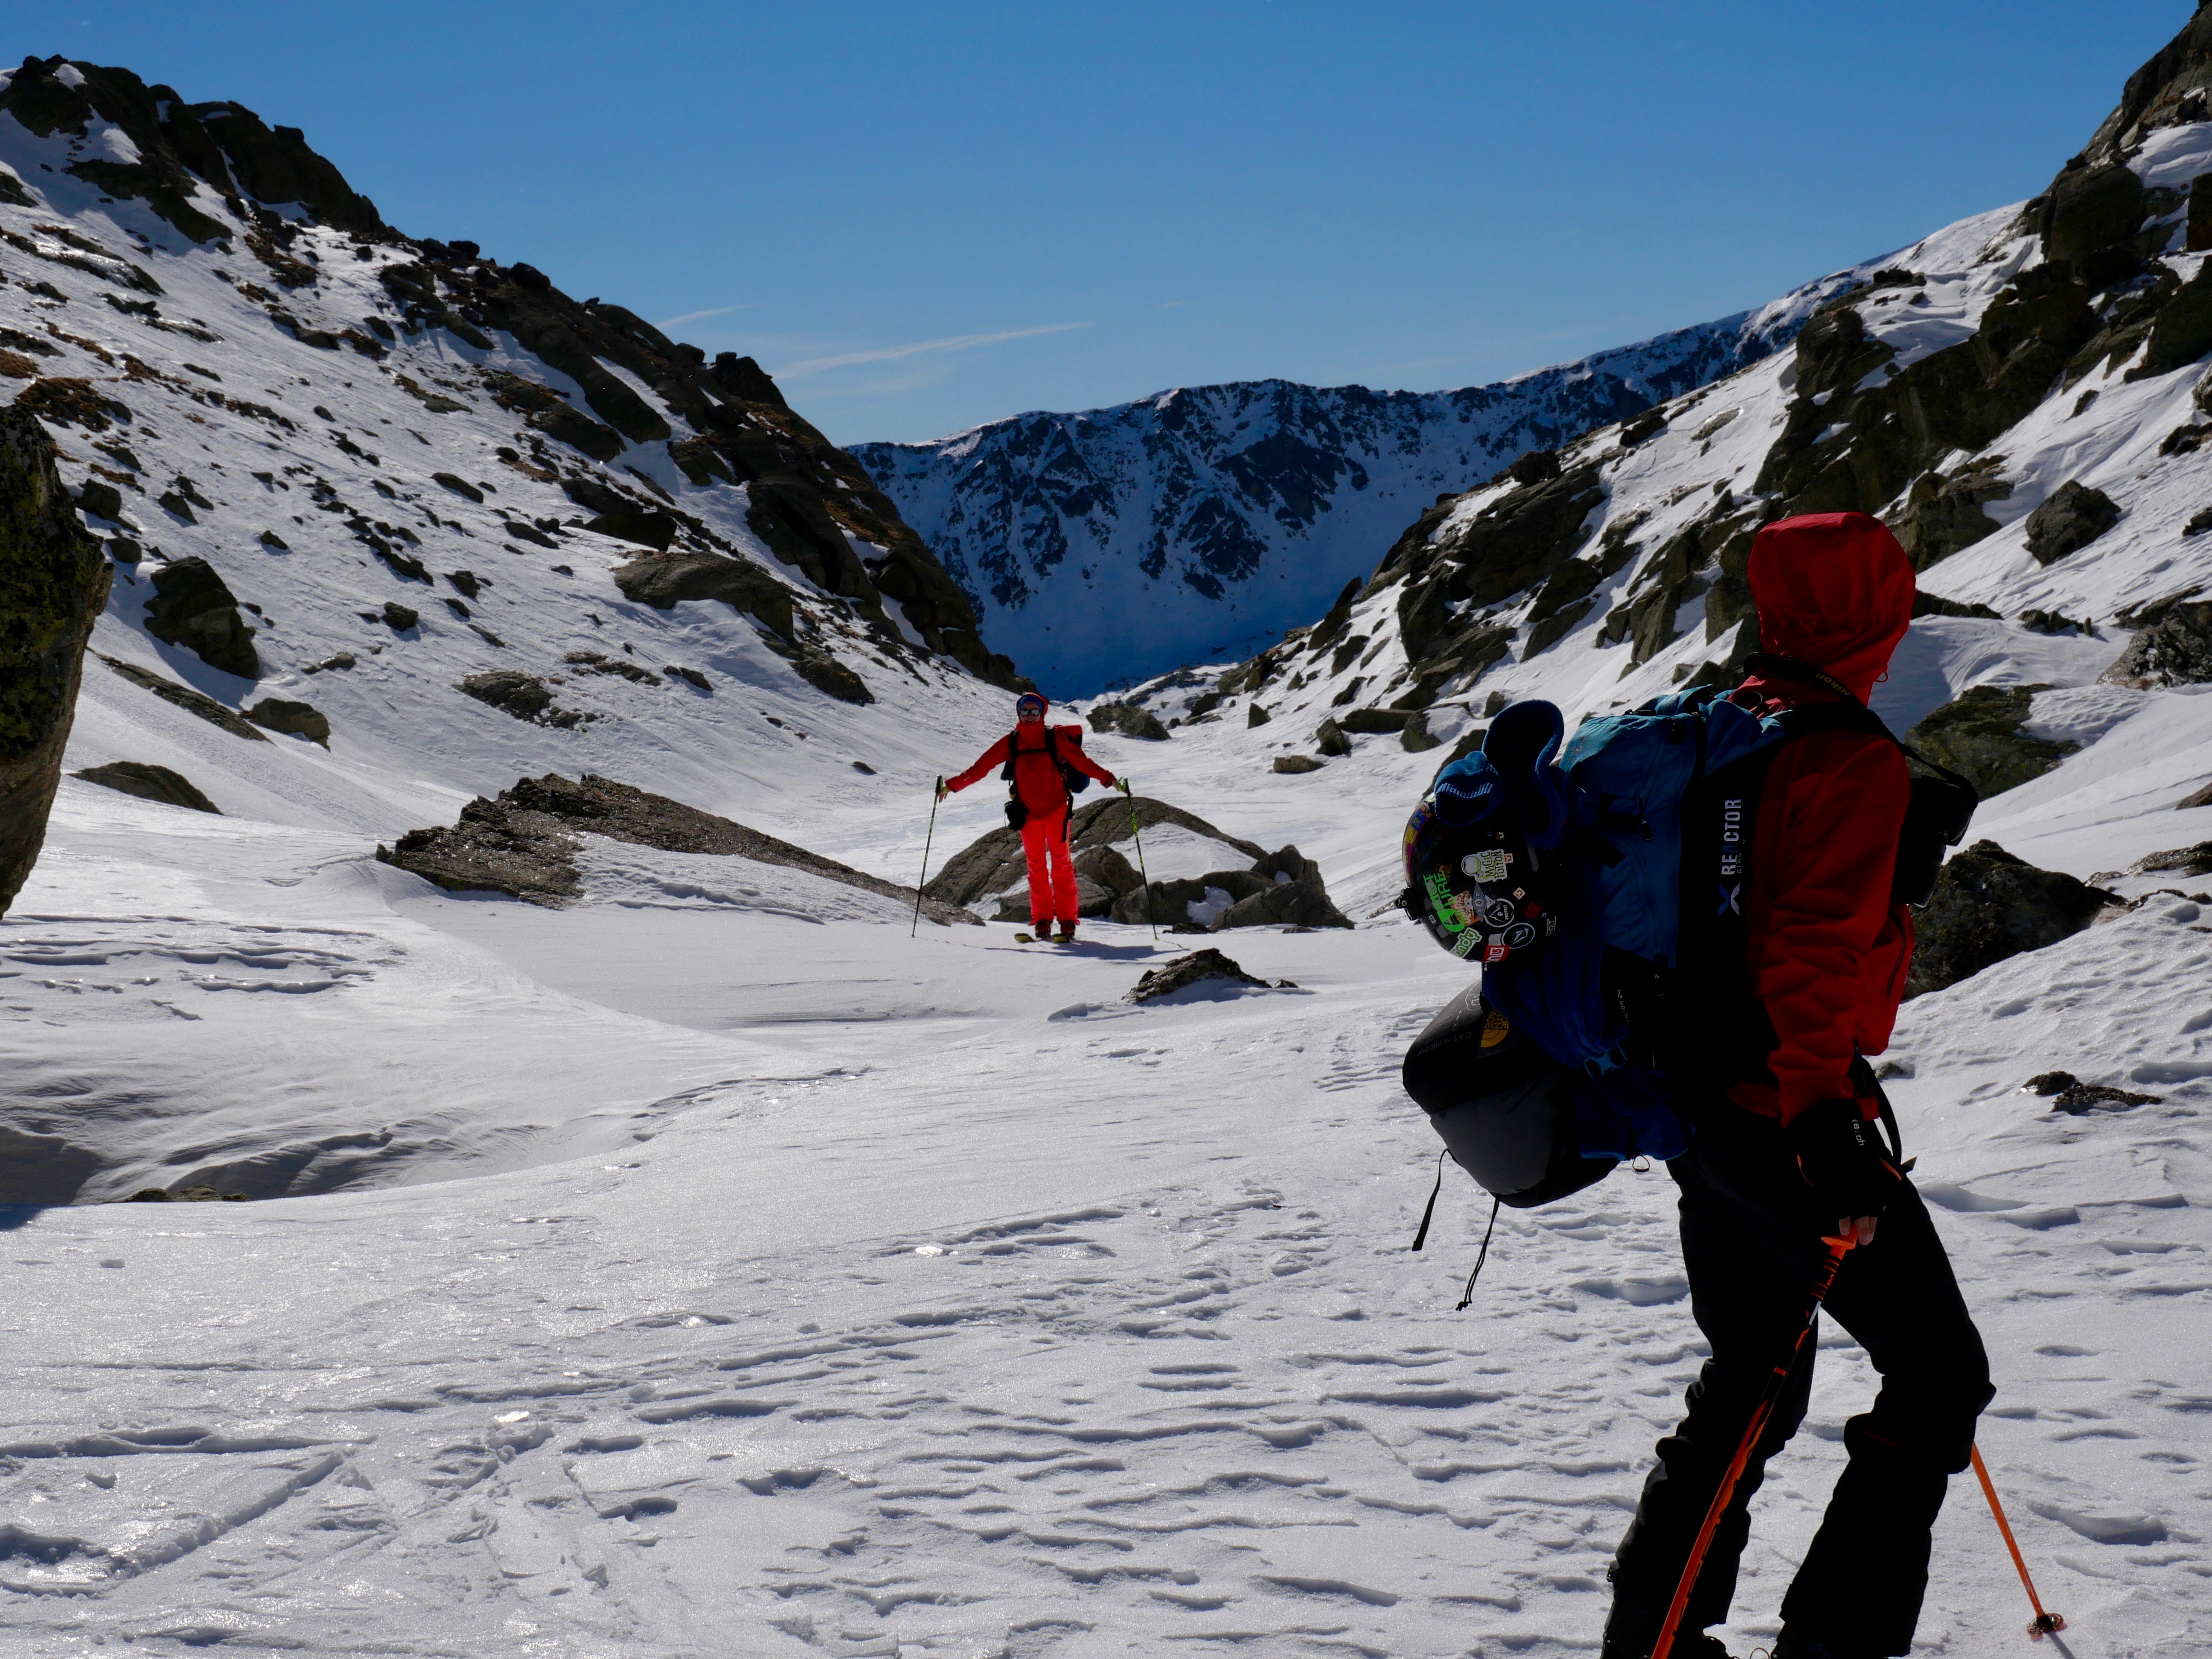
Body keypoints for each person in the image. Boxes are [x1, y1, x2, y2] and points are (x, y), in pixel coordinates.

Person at [1601, 512, 1993, 1659]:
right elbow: (1810, 950)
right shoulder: (1845, 752)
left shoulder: (1720, 720)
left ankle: (1651, 1641)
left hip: (1694, 1101)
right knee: (1937, 1376)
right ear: (1879, 616)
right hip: (1782, 1114)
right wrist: (1823, 1123)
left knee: (1753, 1380)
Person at [942, 692, 1120, 943]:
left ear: (1042, 712)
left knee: (1062, 867)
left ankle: (1067, 921)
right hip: (1028, 816)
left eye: (1034, 710)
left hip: (1057, 813)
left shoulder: (1054, 738)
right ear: (1019, 712)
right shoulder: (1011, 742)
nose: (1029, 715)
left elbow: (1083, 763)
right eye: (1024, 710)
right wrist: (952, 786)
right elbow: (980, 769)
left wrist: (1109, 779)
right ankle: (1043, 920)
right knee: (1036, 870)